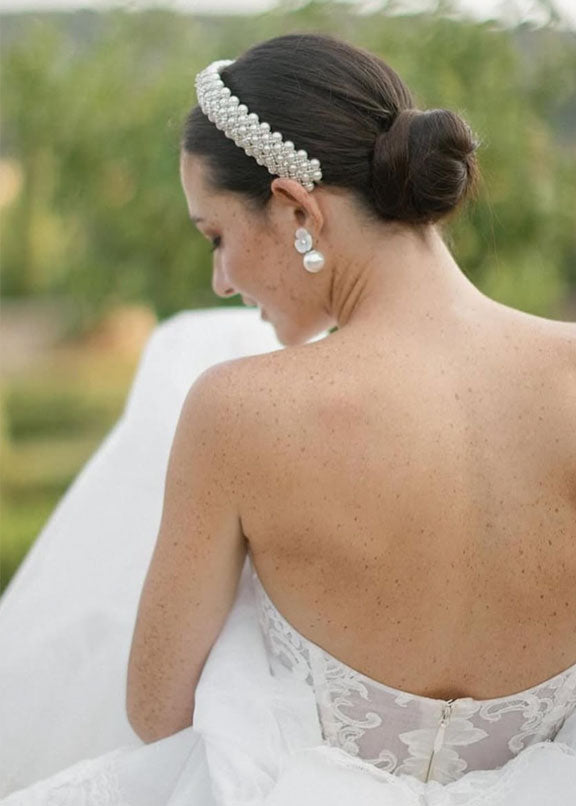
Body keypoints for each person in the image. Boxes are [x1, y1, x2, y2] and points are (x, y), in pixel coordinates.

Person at [1, 31, 575, 805]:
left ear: (295, 206)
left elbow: (159, 711)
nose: (220, 279)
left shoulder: (239, 411)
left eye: (217, 236)